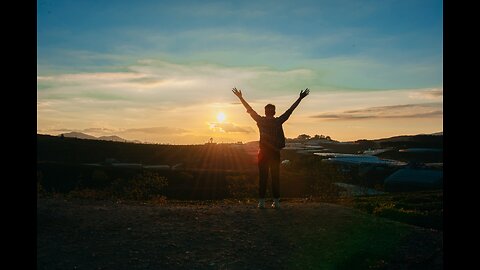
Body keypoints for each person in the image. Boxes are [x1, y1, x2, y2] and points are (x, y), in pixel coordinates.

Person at [232, 87, 310, 209]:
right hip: (274, 153)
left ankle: (261, 202)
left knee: (263, 177)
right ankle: (276, 202)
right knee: (275, 177)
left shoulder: (260, 121)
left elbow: (249, 109)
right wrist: (300, 98)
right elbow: (290, 110)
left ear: (265, 112)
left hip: (262, 153)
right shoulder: (278, 121)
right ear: (274, 112)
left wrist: (240, 97)